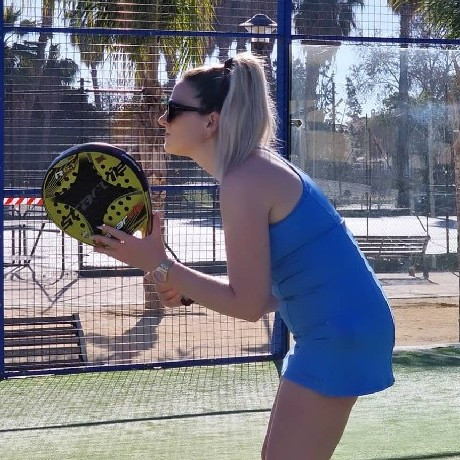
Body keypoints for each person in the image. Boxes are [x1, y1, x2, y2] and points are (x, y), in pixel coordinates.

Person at [93, 52, 395, 460]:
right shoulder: (251, 171)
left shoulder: (244, 180)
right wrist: (183, 283)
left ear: (210, 122)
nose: (162, 120)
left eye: (173, 110)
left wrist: (159, 264)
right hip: (341, 323)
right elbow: (269, 292)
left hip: (339, 329)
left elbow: (249, 305)